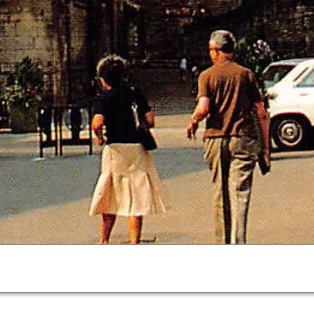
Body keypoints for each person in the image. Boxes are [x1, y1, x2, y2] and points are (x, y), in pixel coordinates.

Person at [186, 29, 270, 244]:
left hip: (216, 138)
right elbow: (261, 113)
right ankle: (238, 242)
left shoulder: (207, 76)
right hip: (243, 137)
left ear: (216, 51)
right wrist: (265, 148)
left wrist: (193, 121)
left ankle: (223, 242)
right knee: (240, 193)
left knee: (220, 192)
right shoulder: (246, 74)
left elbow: (203, 108)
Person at [89, 54, 167, 243]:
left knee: (109, 194)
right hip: (137, 148)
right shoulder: (134, 92)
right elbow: (150, 120)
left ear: (103, 78)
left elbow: (96, 123)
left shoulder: (104, 97)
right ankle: (134, 241)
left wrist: (99, 138)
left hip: (115, 149)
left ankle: (104, 240)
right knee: (136, 196)